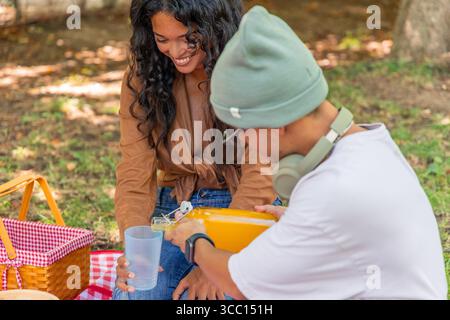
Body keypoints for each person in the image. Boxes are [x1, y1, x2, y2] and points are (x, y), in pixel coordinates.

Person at [165, 6, 448, 299]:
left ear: (279, 120)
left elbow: (240, 286)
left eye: (245, 128)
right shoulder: (370, 144)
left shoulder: (332, 190)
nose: (245, 140)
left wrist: (195, 242)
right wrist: (298, 221)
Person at [113, 1, 281, 301]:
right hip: (176, 208)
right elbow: (134, 173)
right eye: (162, 39)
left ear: (215, 26)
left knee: (220, 297)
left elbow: (261, 177)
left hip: (246, 205)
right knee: (136, 293)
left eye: (189, 38)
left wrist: (215, 264)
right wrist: (136, 248)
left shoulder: (254, 69)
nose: (176, 52)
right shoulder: (144, 76)